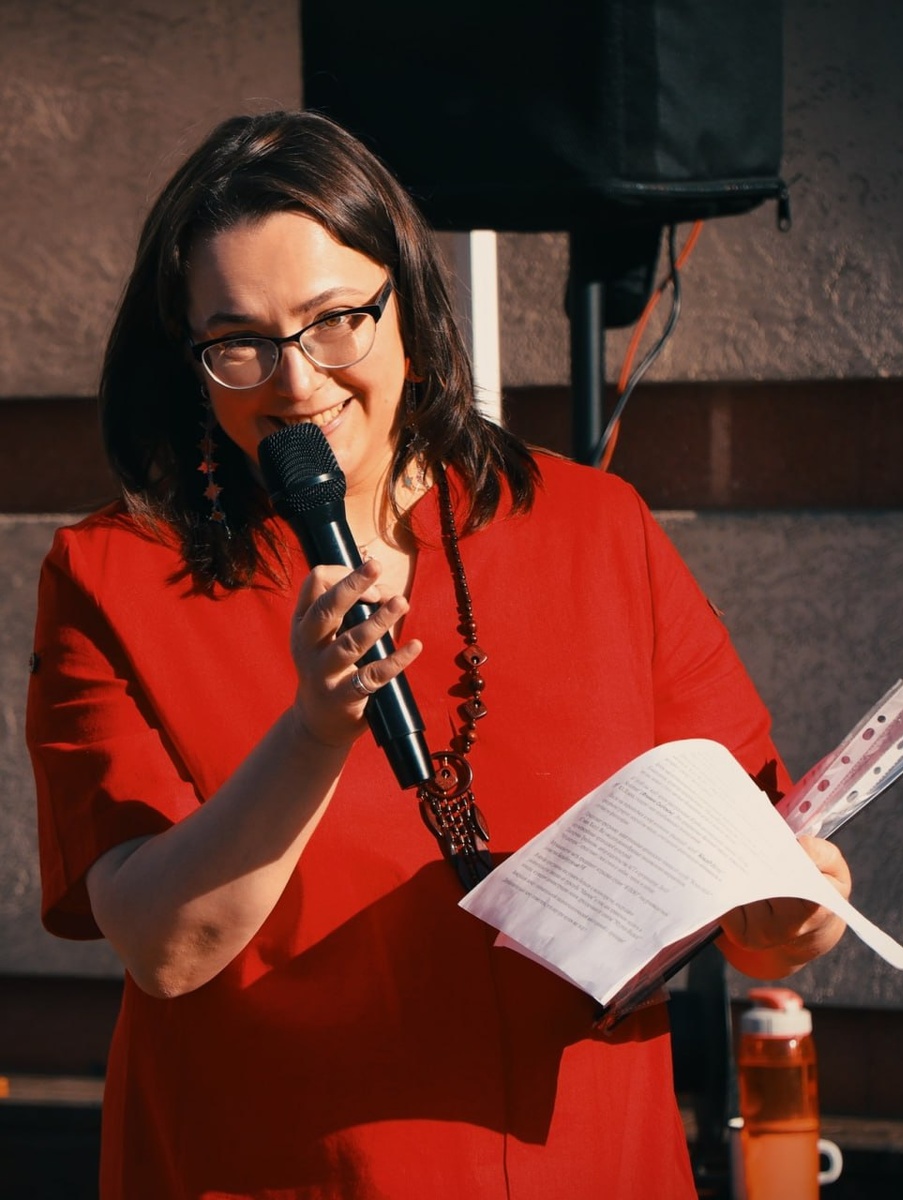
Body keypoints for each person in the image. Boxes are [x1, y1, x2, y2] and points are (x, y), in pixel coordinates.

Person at [26, 109, 851, 1200]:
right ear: (189, 361)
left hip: (593, 1167)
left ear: (409, 308)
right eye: (239, 342)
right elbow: (165, 947)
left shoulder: (594, 528)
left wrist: (798, 913)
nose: (296, 381)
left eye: (336, 321)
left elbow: (754, 889)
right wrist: (313, 733)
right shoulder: (113, 579)